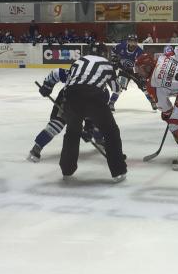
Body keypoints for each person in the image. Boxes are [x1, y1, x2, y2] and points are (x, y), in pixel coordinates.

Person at [47, 42, 126, 182]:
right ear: (104, 53)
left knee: (72, 133)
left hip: (71, 98)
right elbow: (116, 89)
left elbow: (59, 75)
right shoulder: (107, 64)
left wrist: (46, 87)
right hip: (94, 97)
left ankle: (67, 169)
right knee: (111, 132)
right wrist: (118, 75)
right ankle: (118, 171)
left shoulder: (78, 61)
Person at [28, 68, 104, 162]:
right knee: (57, 124)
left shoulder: (102, 92)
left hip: (84, 105)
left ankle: (100, 139)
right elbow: (56, 73)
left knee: (101, 121)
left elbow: (97, 113)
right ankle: (37, 147)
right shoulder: (77, 74)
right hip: (66, 100)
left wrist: (89, 128)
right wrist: (47, 86)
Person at [108, 34, 156, 112]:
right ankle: (111, 103)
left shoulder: (139, 52)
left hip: (136, 72)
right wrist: (114, 59)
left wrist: (142, 76)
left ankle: (152, 102)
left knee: (144, 87)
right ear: (128, 42)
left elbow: (142, 66)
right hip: (123, 71)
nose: (133, 44)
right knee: (119, 87)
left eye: (135, 42)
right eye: (131, 42)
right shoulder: (121, 46)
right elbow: (113, 51)